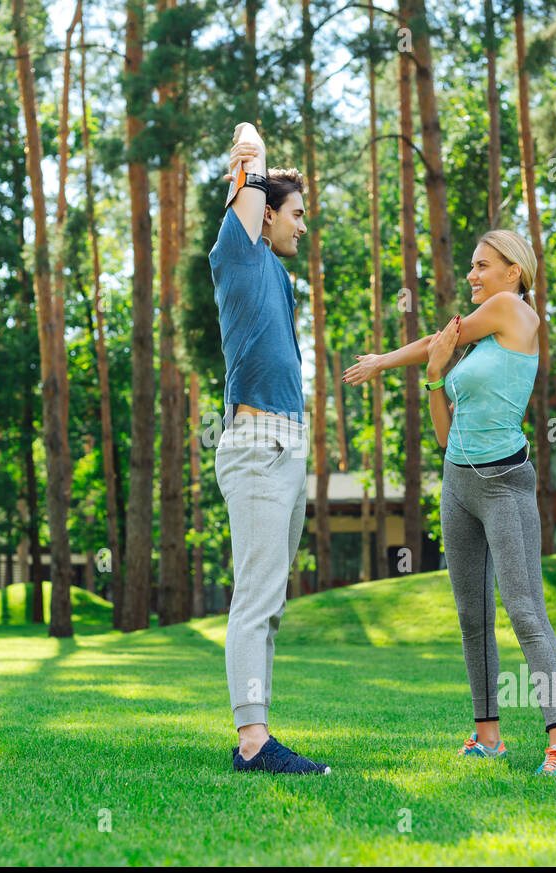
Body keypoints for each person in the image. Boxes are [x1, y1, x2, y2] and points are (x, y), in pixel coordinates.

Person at [343, 230, 556, 776]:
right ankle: (487, 737)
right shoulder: (486, 334)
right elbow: (446, 438)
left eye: (482, 266)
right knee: (472, 616)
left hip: (504, 483)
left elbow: (440, 337)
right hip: (458, 483)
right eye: (472, 267)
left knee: (525, 613)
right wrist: (431, 380)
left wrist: (381, 361)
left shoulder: (512, 311)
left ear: (513, 271)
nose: (471, 276)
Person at [209, 122, 329, 775]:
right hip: (257, 443)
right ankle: (253, 742)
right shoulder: (237, 251)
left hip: (287, 442)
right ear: (262, 213)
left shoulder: (276, 276)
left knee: (271, 599)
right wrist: (249, 161)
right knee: (256, 596)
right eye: (297, 213)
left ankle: (259, 730)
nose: (302, 225)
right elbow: (249, 150)